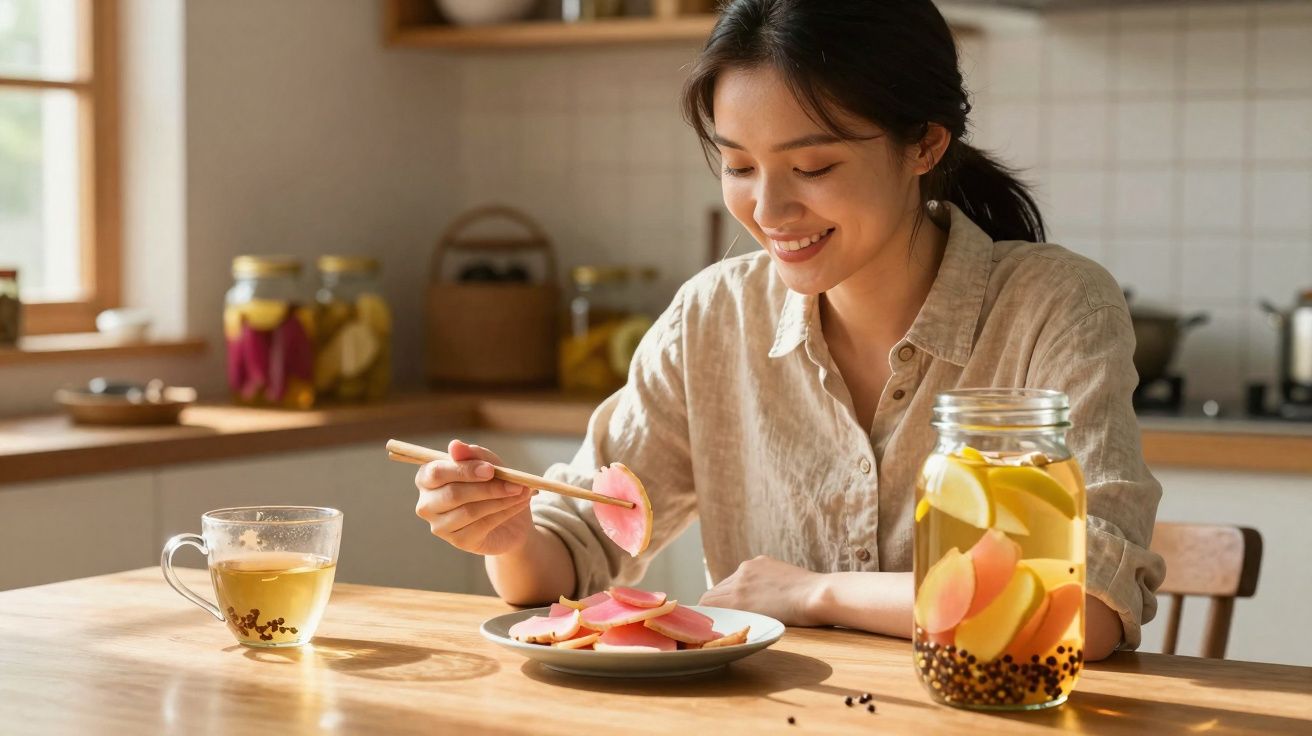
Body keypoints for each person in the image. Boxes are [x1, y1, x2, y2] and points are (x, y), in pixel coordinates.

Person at [414, 0, 1165, 660]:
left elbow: (1082, 607)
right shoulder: (712, 316)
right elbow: (576, 552)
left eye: (812, 167)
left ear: (925, 143)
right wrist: (506, 538)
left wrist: (815, 594)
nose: (768, 212)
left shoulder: (1054, 306)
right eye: (739, 166)